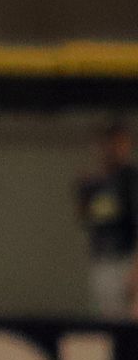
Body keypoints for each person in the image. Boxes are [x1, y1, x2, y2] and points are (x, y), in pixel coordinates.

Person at [76, 122, 137, 320]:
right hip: (102, 260)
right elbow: (89, 220)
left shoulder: (130, 179)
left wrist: (135, 268)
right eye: (112, 144)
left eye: (122, 144)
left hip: (125, 259)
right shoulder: (94, 183)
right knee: (107, 318)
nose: (116, 150)